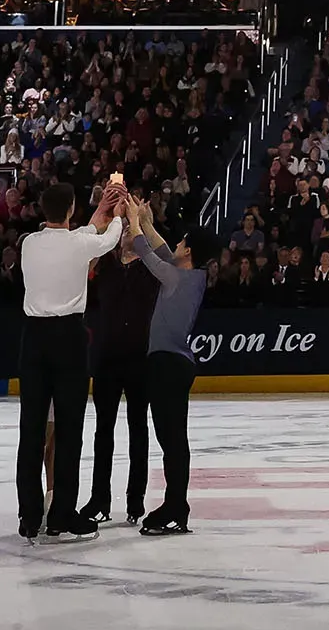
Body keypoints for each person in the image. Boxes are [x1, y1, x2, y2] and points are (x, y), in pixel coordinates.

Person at [15, 179, 124, 543]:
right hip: (68, 340)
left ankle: (29, 516)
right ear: (72, 209)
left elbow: (84, 235)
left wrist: (102, 211)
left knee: (31, 429)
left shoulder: (28, 244)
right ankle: (61, 513)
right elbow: (102, 240)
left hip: (33, 339)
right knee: (69, 428)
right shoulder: (80, 242)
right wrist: (119, 214)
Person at [124, 196, 219, 536]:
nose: (176, 244)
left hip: (168, 365)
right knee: (173, 439)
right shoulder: (186, 276)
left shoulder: (181, 279)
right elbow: (164, 253)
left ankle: (176, 504)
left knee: (172, 440)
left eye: (182, 242)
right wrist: (148, 222)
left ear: (190, 251)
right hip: (170, 364)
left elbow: (149, 257)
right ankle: (176, 503)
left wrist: (135, 222)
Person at [80, 195, 161, 526]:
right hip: (108, 358)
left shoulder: (152, 267)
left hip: (140, 359)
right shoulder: (106, 264)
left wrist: (143, 221)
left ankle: (136, 499)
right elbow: (82, 256)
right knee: (104, 431)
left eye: (131, 226)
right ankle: (99, 499)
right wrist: (106, 215)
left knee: (139, 429)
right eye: (125, 226)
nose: (127, 230)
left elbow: (163, 252)